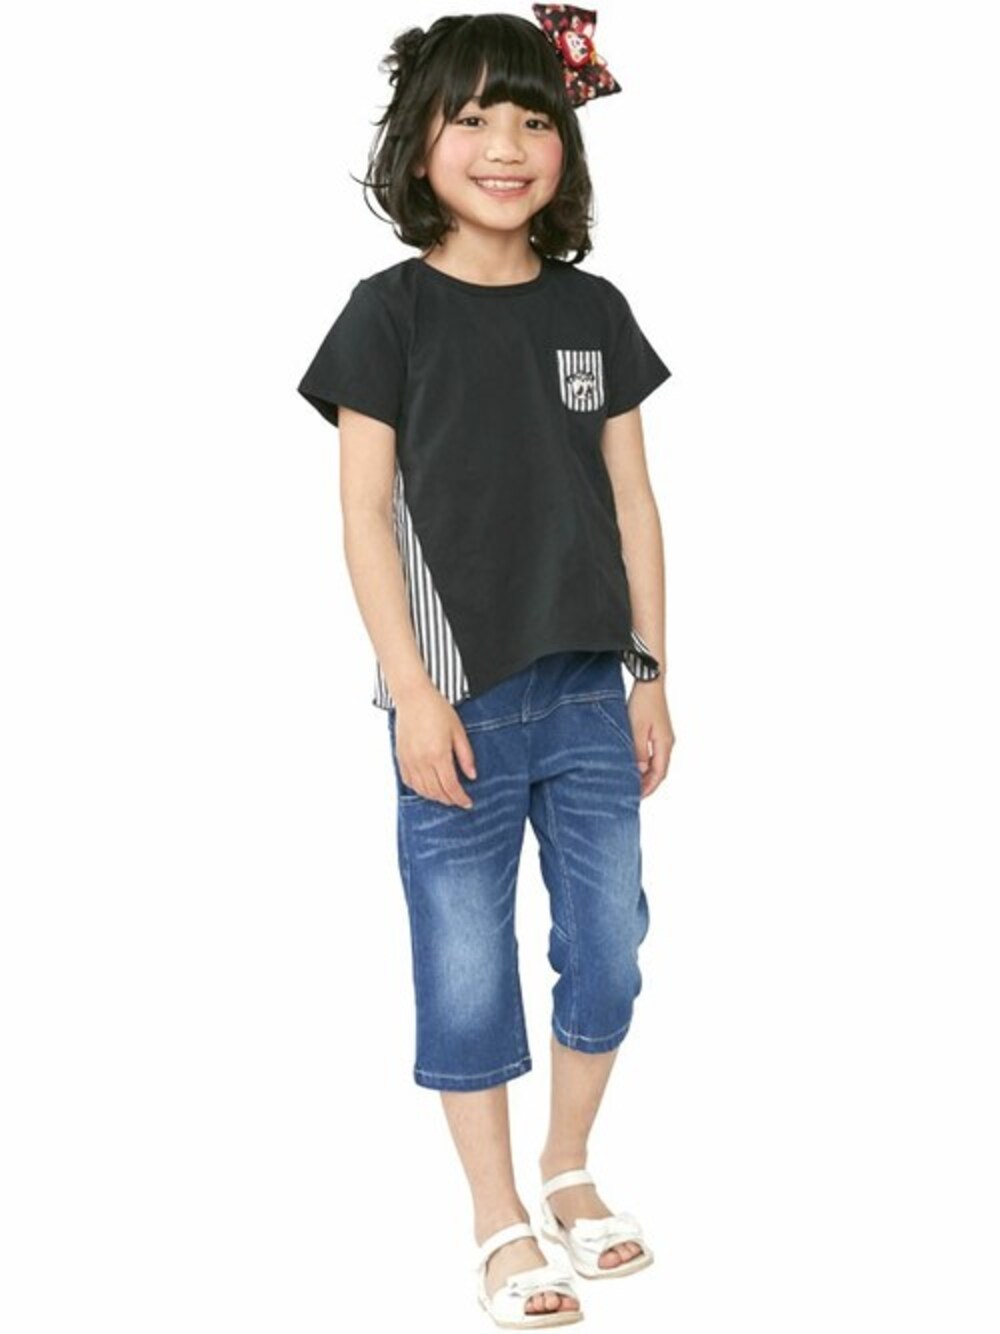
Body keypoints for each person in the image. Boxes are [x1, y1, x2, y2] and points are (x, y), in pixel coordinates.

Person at [296, 7, 676, 1326]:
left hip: (588, 689)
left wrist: (651, 671)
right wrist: (411, 689)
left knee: (610, 946)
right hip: (453, 701)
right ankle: (497, 1213)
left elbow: (632, 500)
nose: (505, 146)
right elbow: (363, 515)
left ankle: (569, 1164)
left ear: (566, 144)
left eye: (532, 119)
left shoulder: (593, 312)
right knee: (465, 964)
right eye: (473, 119)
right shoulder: (386, 315)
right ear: (421, 144)